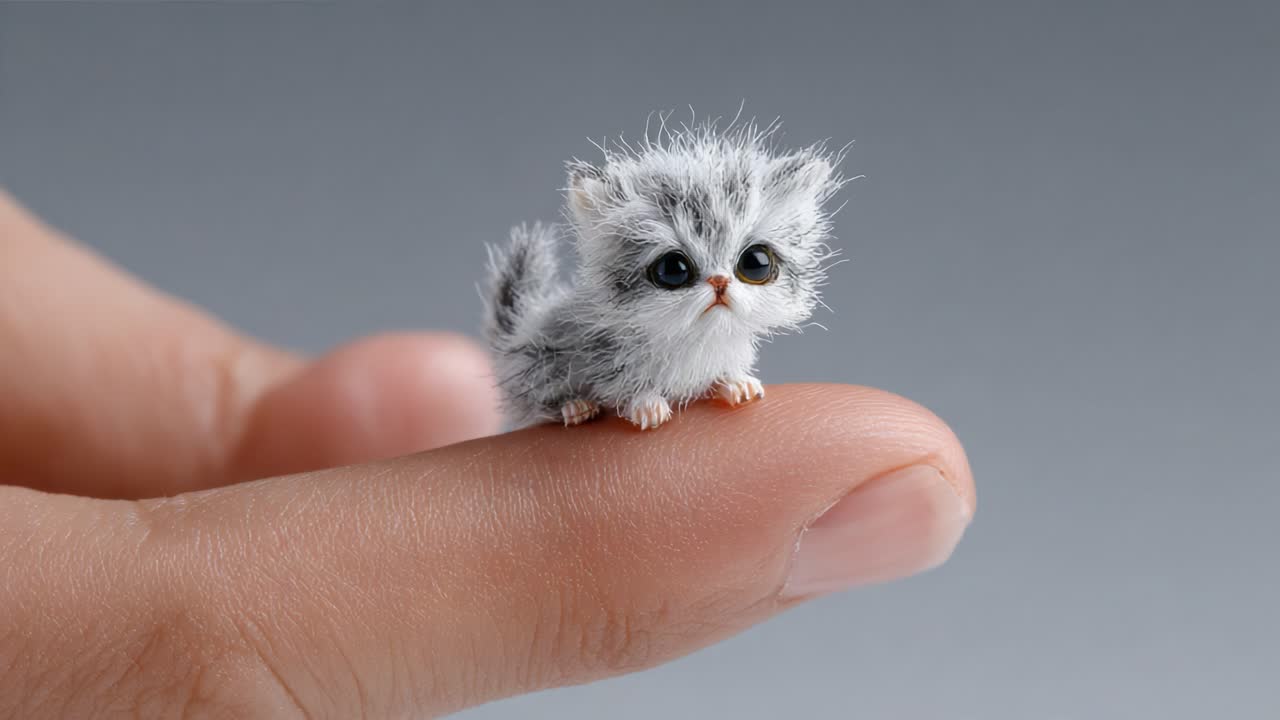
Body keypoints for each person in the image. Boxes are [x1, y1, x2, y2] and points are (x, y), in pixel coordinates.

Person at [0, 190, 975, 718]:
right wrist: (614, 397)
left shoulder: (729, 330)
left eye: (752, 266)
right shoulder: (602, 326)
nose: (721, 288)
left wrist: (709, 382)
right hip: (587, 379)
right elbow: (568, 354)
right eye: (679, 270)